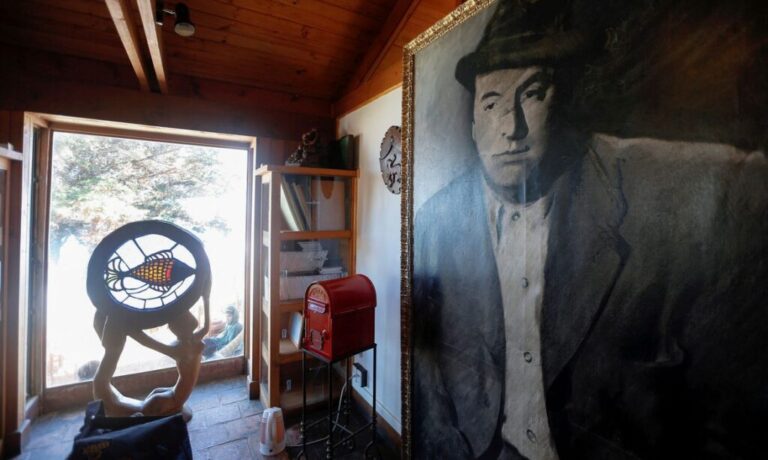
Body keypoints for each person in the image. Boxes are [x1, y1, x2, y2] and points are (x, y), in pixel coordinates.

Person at [412, 0, 768, 458]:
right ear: (474, 122)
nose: (511, 127)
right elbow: (425, 356)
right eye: (492, 102)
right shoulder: (437, 221)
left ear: (561, 102)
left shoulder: (638, 182)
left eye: (532, 94)